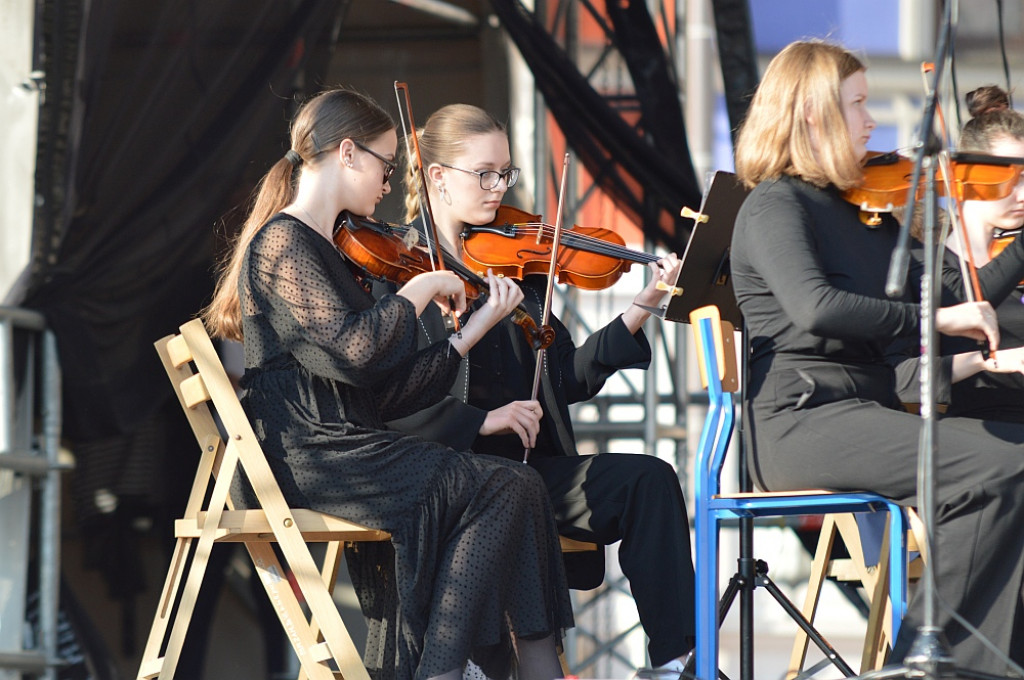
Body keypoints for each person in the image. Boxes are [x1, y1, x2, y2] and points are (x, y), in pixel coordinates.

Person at [202, 87, 574, 680]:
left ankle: (510, 666)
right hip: (306, 455)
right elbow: (356, 353)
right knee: (500, 485)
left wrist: (470, 332)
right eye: (385, 163)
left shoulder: (333, 249)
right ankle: (451, 669)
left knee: (517, 482)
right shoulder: (283, 241)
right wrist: (420, 289)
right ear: (347, 153)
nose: (389, 180)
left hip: (348, 438)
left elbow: (383, 393)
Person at [730, 40, 1024, 672]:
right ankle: (928, 656)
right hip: (799, 415)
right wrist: (934, 318)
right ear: (813, 114)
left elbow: (960, 293)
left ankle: (971, 658)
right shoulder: (774, 204)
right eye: (859, 105)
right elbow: (816, 307)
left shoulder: (865, 211)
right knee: (996, 464)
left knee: (1013, 456)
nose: (873, 123)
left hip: (867, 405)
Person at [379, 103, 695, 672]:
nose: (499, 188)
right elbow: (391, 398)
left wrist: (640, 308)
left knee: (648, 480)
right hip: (449, 477)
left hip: (527, 472)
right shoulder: (399, 273)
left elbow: (565, 377)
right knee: (515, 485)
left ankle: (678, 660)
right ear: (436, 177)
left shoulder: (512, 273)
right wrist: (481, 421)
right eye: (485, 173)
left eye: (506, 172)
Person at [931, 85, 1024, 422]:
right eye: (1008, 178)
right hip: (987, 432)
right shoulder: (930, 268)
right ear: (966, 175)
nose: (1022, 193)